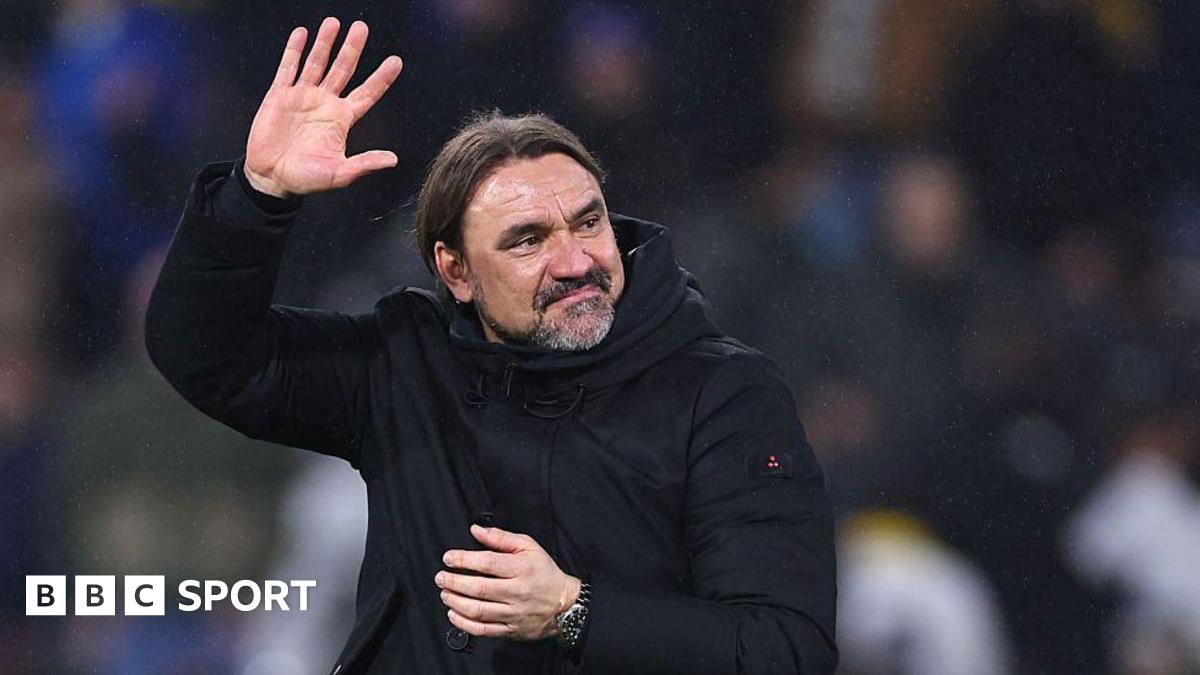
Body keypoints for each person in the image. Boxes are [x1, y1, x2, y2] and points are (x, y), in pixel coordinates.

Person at [145, 17, 837, 675]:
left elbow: (784, 648)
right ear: (456, 271)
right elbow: (208, 356)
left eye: (587, 222)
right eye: (528, 239)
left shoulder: (724, 394)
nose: (575, 261)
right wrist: (256, 197)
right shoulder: (405, 362)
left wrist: (575, 611)